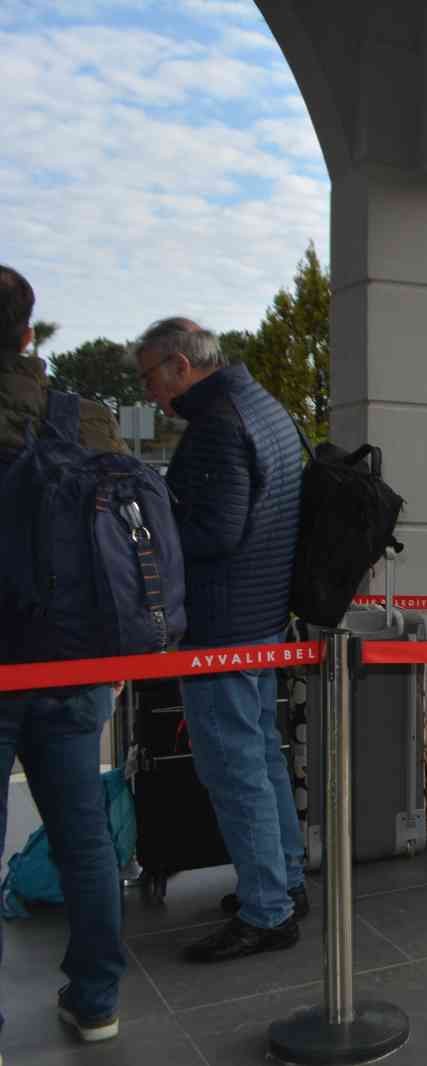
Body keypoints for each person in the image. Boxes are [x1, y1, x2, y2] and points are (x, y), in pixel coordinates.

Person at [134, 318, 307, 964]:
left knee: (235, 771)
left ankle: (267, 912)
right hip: (261, 618)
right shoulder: (264, 406)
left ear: (181, 366)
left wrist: (153, 524)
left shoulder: (216, 426)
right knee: (260, 758)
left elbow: (214, 532)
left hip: (220, 627)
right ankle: (283, 883)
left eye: (151, 377)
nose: (151, 393)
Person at [0, 265, 127, 1043]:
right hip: (74, 662)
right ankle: (97, 997)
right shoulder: (89, 420)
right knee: (84, 837)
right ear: (27, 333)